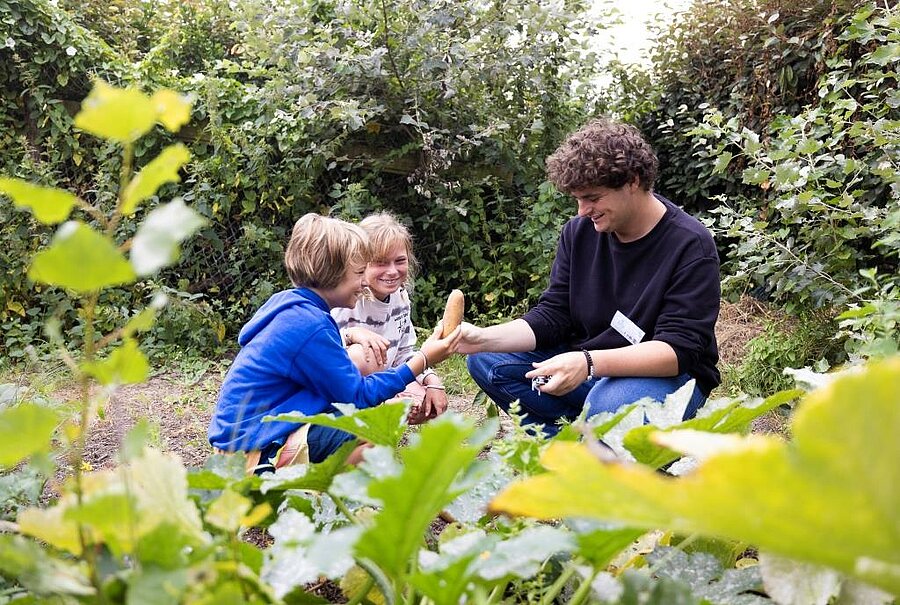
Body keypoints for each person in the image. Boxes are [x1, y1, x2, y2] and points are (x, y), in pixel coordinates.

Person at [462, 118, 720, 436]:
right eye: (577, 198)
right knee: (486, 359)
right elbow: (554, 315)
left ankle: (616, 442)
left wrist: (587, 362)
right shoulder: (579, 233)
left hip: (667, 376)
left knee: (609, 408)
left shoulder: (690, 243)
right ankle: (567, 448)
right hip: (591, 366)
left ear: (633, 181)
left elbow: (677, 351)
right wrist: (483, 337)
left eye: (593, 198)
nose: (583, 210)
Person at [208, 213, 460, 473]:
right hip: (247, 450)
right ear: (333, 274)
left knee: (371, 414)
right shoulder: (309, 325)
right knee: (369, 430)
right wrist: (425, 359)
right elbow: (359, 395)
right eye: (360, 272)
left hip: (250, 434)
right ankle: (288, 487)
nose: (364, 282)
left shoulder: (299, 308)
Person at [331, 213, 448, 424]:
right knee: (365, 354)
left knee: (425, 402)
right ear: (360, 263)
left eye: (399, 261)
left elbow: (404, 353)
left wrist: (432, 381)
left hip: (383, 379)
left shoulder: (400, 298)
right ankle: (368, 415)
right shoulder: (347, 300)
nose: (392, 271)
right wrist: (350, 335)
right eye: (381, 263)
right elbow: (322, 355)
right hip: (343, 390)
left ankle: (382, 413)